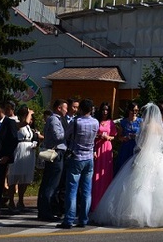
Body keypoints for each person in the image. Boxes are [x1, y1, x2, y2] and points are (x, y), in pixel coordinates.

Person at [90, 103, 163, 228]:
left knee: (139, 186)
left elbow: (141, 144)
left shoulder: (145, 126)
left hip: (145, 156)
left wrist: (137, 153)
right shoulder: (159, 126)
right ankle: (162, 214)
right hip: (158, 157)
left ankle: (139, 214)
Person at [58, 98, 98, 229]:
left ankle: (69, 219)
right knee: (86, 190)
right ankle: (83, 219)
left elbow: (66, 135)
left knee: (72, 189)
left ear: (81, 109)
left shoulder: (76, 122)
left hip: (77, 157)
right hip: (89, 157)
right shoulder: (95, 122)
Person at [37, 98, 67, 222]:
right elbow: (57, 136)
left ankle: (44, 210)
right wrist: (69, 133)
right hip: (56, 153)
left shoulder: (54, 119)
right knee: (51, 184)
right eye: (65, 107)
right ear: (59, 108)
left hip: (56, 153)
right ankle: (46, 211)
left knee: (48, 182)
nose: (66, 110)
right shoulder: (54, 120)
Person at [7, 106, 40, 211]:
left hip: (28, 151)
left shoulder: (29, 127)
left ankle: (20, 200)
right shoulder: (17, 123)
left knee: (25, 177)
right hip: (19, 149)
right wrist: (29, 113)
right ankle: (11, 200)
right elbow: (24, 122)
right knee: (15, 175)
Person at [92, 102, 117, 211]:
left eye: (107, 110)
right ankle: (94, 201)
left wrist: (108, 137)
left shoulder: (111, 123)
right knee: (95, 173)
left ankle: (105, 201)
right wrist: (99, 136)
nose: (105, 112)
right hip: (97, 146)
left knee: (105, 173)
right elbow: (92, 135)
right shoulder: (96, 122)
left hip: (106, 148)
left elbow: (114, 136)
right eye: (103, 110)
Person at [115, 101, 141, 172]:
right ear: (129, 110)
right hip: (126, 147)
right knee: (124, 168)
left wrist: (137, 136)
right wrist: (124, 138)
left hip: (136, 147)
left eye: (136, 110)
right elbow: (118, 137)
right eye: (133, 110)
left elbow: (144, 134)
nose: (134, 112)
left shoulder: (140, 121)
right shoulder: (123, 122)